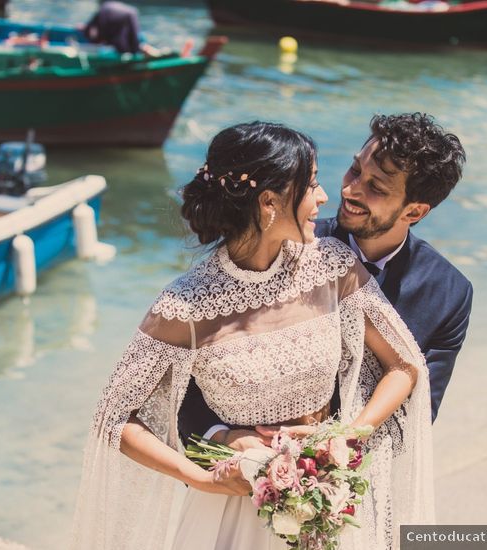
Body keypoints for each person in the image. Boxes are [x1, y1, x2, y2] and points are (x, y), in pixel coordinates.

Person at [72, 121, 434, 549]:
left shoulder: (332, 267)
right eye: (312, 185)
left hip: (329, 497)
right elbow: (113, 419)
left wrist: (349, 434)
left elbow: (405, 364)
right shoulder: (186, 305)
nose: (324, 198)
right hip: (229, 514)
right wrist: (201, 478)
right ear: (269, 202)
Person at [179, 113, 471, 459]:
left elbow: (419, 411)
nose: (349, 189)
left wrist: (338, 445)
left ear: (415, 211)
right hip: (249, 466)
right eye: (355, 170)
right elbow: (192, 383)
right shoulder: (284, 241)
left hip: (356, 481)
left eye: (376, 188)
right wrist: (225, 439)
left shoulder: (449, 292)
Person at [82, 1, 161, 56]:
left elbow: (89, 29)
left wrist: (92, 40)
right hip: (131, 14)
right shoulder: (128, 10)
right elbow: (134, 35)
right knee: (132, 45)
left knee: (123, 46)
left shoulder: (103, 8)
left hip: (120, 21)